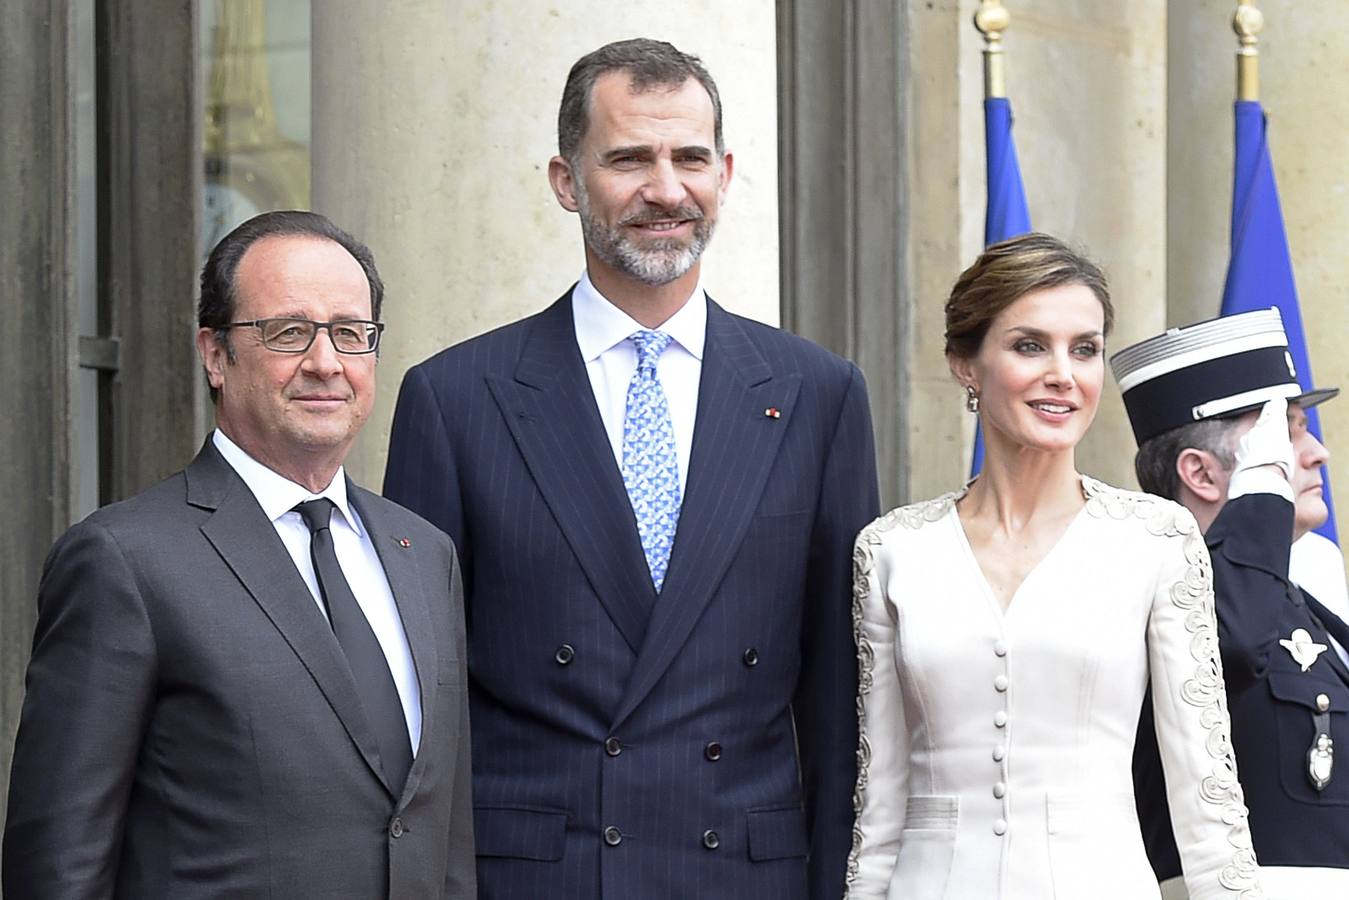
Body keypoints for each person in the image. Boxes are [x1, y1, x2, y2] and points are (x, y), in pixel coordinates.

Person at [383, 37, 878, 900]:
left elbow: (841, 697)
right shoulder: (455, 398)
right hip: (540, 878)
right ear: (566, 180)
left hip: (745, 877)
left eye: (689, 157)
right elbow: (421, 702)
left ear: (724, 173)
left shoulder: (817, 392)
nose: (665, 188)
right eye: (628, 159)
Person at [2, 211, 475, 899]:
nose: (325, 362)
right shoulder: (124, 561)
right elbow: (58, 866)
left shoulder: (425, 555)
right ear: (215, 354)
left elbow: (442, 834)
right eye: (288, 332)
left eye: (351, 333)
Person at [848, 233, 1262, 899]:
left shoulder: (1154, 539)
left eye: (1085, 349)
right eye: (1028, 345)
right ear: (964, 362)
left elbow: (1203, 787)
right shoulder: (891, 551)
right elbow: (879, 803)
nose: (1062, 374)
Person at [1115, 307, 1349, 899]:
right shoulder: (1153, 594)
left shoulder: (1306, 609)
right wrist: (1264, 488)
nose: (1316, 453)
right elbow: (1230, 645)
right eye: (1286, 433)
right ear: (1200, 472)